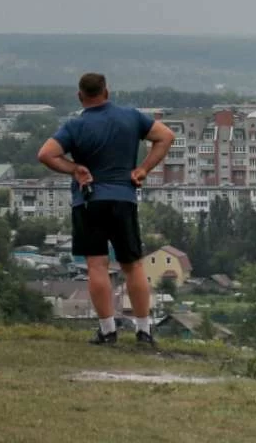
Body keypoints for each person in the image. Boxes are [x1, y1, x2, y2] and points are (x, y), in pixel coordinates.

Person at [37, 73, 175, 346]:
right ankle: (144, 331)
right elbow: (166, 136)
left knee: (97, 265)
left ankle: (108, 330)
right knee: (133, 265)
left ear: (80, 96)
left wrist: (74, 169)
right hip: (123, 198)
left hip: (89, 201)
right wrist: (143, 169)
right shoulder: (131, 117)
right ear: (106, 92)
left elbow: (45, 154)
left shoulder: (75, 126)